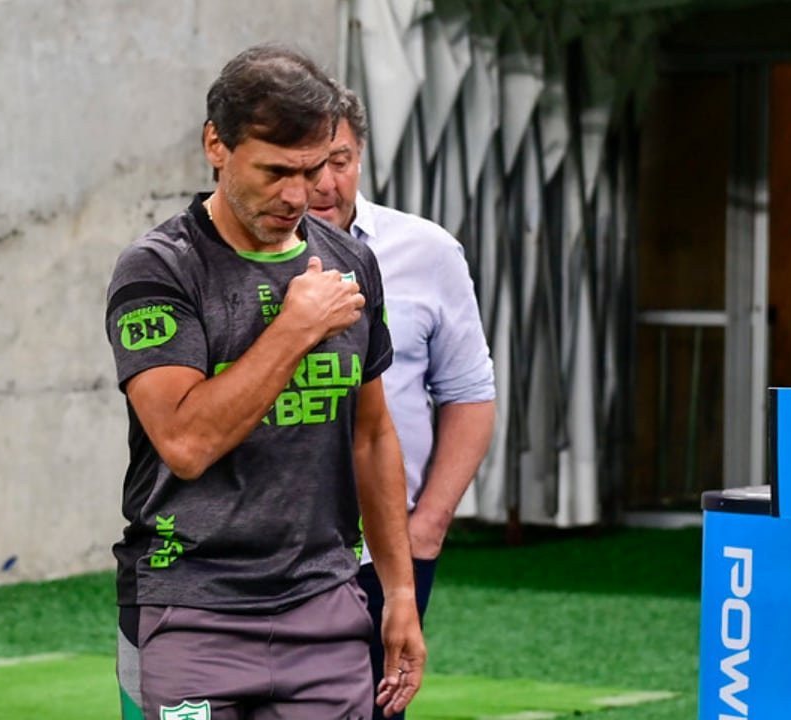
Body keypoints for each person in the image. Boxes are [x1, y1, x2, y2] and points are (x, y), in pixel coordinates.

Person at [105, 45, 426, 720]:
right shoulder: (160, 269)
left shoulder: (350, 263)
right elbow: (186, 443)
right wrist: (295, 327)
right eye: (276, 171)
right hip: (188, 611)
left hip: (326, 610)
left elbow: (371, 437)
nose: (298, 196)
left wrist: (399, 593)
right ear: (216, 146)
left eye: (314, 169)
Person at [309, 85, 497, 720]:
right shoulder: (222, 260)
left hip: (385, 552)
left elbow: (469, 393)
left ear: (361, 155)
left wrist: (428, 527)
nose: (325, 183)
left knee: (376, 709)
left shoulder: (427, 251)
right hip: (264, 555)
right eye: (309, 165)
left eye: (340, 161)